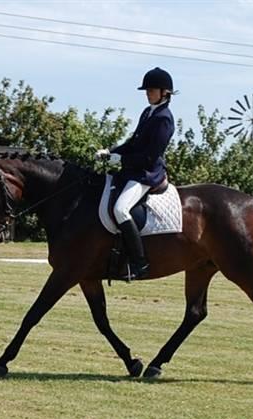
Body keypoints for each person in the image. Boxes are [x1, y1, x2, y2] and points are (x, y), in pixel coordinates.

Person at [96, 67, 176, 281]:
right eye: (147, 90)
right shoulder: (148, 112)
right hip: (134, 169)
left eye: (151, 90)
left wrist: (121, 160)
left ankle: (140, 263)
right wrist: (111, 152)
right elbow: (133, 143)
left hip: (148, 174)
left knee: (121, 209)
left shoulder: (164, 118)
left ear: (164, 92)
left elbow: (150, 156)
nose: (148, 93)